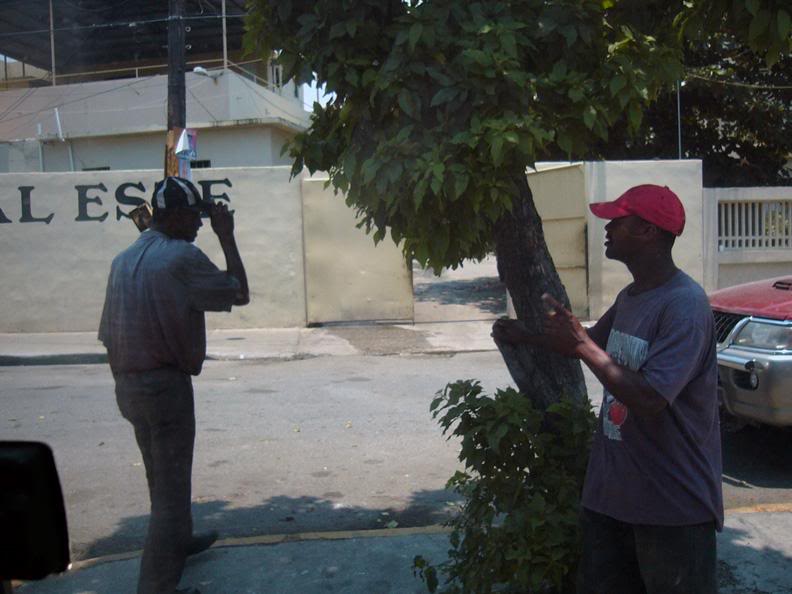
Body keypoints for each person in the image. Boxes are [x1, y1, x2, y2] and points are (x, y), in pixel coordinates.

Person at [492, 184, 723, 593]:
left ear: (648, 231)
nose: (607, 227)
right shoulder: (631, 296)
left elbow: (650, 398)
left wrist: (581, 343)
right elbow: (587, 343)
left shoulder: (685, 306)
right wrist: (525, 335)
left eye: (618, 220)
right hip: (613, 498)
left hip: (672, 507)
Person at [99, 176, 249, 594]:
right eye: (195, 217)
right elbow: (239, 292)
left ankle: (179, 541)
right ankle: (156, 588)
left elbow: (108, 334)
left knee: (160, 477)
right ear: (176, 216)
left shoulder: (123, 259)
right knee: (170, 493)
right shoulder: (182, 257)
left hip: (127, 385)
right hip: (164, 387)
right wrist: (226, 236)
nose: (201, 224)